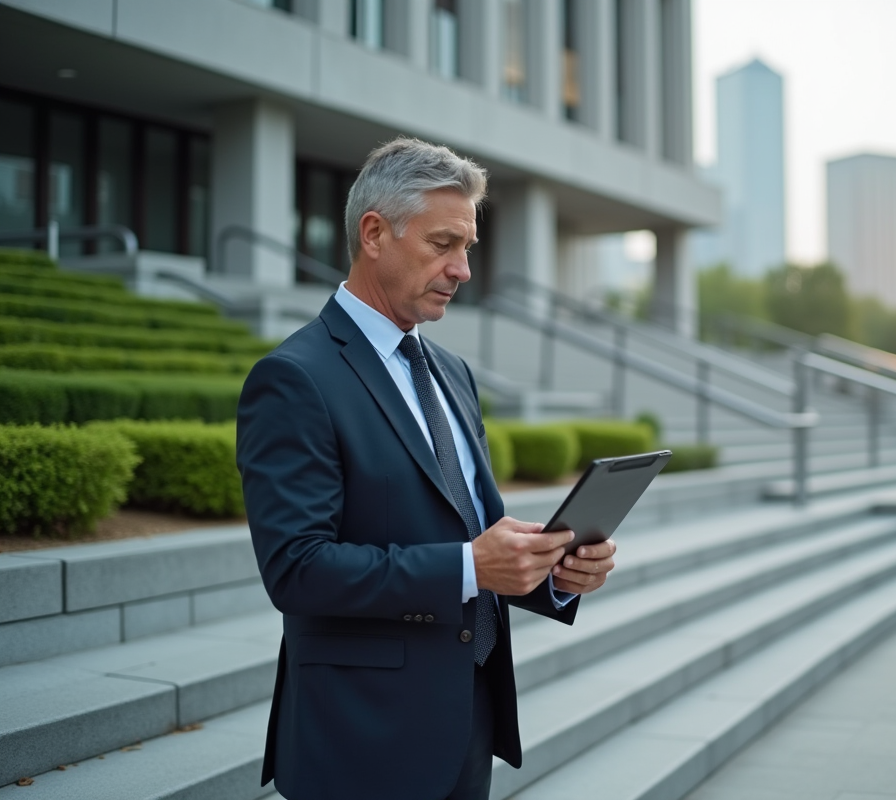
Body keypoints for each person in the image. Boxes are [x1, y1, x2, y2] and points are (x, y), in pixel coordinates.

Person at [236, 136, 617, 800]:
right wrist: (471, 565)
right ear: (374, 234)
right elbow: (296, 570)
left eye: (466, 247)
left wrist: (552, 569)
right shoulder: (295, 378)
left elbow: (475, 527)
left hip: (467, 724)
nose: (463, 269)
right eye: (443, 245)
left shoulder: (452, 372)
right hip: (361, 739)